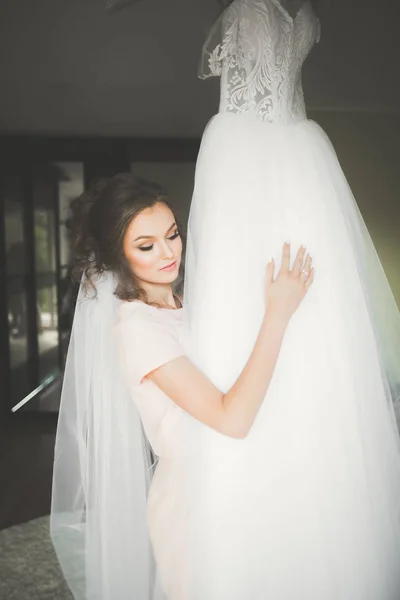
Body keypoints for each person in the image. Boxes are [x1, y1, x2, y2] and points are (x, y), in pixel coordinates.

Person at [182, 0, 400, 599]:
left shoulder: (251, 12)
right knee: (307, 345)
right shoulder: (302, 16)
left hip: (254, 169)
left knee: (258, 317)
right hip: (301, 174)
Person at [50, 173, 314, 600]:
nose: (169, 252)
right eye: (146, 245)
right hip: (192, 506)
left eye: (172, 235)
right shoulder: (138, 329)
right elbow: (232, 418)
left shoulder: (183, 305)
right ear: (117, 254)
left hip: (229, 486)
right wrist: (278, 313)